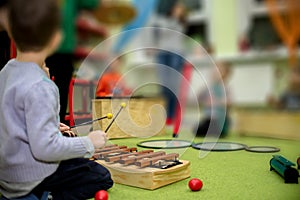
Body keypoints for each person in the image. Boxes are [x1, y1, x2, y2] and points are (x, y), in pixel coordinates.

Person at [0, 0, 113, 199]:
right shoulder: (42, 86)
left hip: (6, 176)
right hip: (31, 177)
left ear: (10, 32)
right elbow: (46, 149)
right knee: (101, 176)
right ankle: (48, 195)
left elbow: (12, 119)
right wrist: (88, 142)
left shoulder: (5, 72)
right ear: (56, 39)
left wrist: (51, 124)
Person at [46, 0, 100, 125]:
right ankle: (46, 125)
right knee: (42, 87)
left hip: (65, 49)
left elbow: (92, 4)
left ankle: (59, 124)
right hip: (44, 47)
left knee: (62, 89)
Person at [149, 0, 187, 125]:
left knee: (173, 87)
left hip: (176, 54)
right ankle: (166, 115)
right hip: (162, 54)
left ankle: (172, 115)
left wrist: (176, 17)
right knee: (164, 87)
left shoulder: (181, 21)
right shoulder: (160, 19)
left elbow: (171, 31)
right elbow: (160, 33)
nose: (179, 9)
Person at [195, 61, 232, 137]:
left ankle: (218, 131)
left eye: (220, 71)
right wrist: (205, 101)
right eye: (214, 70)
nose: (215, 72)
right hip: (209, 119)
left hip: (220, 120)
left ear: (225, 75)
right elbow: (198, 98)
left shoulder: (225, 88)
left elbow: (229, 103)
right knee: (198, 129)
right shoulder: (209, 87)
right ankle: (211, 131)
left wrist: (217, 102)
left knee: (217, 127)